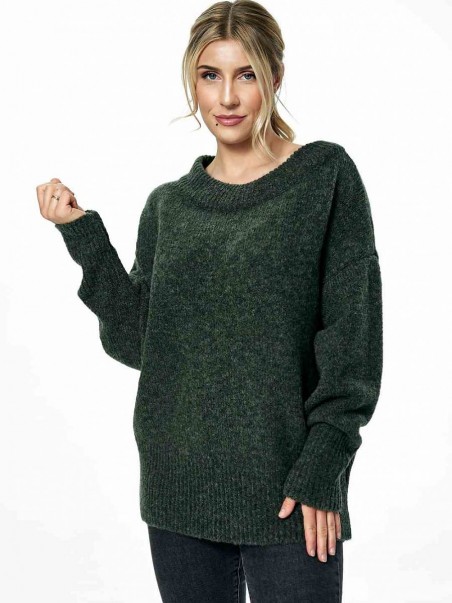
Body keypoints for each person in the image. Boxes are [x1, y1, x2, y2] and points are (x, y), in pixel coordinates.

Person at [35, 1, 383, 601]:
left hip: (293, 488)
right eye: (209, 75)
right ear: (192, 82)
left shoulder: (324, 177)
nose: (226, 97)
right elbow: (140, 344)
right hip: (178, 488)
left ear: (275, 76)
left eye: (245, 74)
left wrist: (326, 460)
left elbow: (353, 337)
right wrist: (83, 236)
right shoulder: (169, 206)